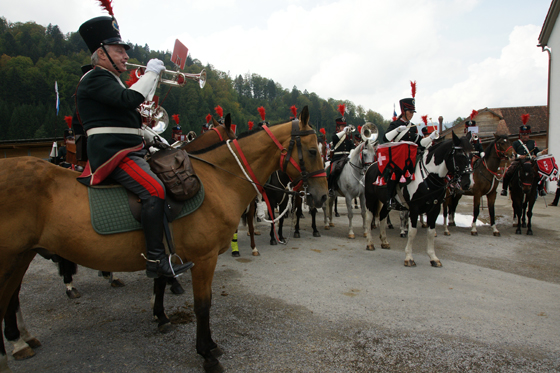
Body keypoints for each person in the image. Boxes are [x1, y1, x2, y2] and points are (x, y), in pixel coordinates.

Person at [76, 15, 193, 278]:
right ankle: (155, 260)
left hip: (128, 146)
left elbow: (125, 116)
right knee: (155, 189)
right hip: (113, 153)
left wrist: (150, 136)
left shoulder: (109, 78)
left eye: (124, 51)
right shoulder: (95, 77)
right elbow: (129, 99)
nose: (125, 56)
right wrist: (151, 73)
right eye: (119, 51)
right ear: (101, 53)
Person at [382, 82, 437, 208]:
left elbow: (420, 144)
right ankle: (389, 199)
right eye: (410, 111)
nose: (412, 114)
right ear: (403, 111)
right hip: (397, 157)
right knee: (395, 173)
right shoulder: (395, 125)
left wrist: (431, 138)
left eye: (413, 112)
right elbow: (385, 138)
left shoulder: (412, 127)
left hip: (411, 157)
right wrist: (397, 130)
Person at [501, 114, 547, 197]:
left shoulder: (532, 142)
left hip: (531, 161)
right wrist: (519, 156)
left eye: (526, 134)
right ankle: (504, 189)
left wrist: (541, 153)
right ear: (521, 135)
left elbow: (536, 152)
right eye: (523, 134)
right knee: (508, 172)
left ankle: (541, 189)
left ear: (528, 134)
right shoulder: (516, 143)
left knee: (541, 172)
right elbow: (513, 153)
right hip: (519, 161)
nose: (525, 136)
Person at [327, 104, 355, 197]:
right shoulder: (336, 134)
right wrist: (344, 131)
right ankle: (330, 188)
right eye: (342, 126)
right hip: (337, 157)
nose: (343, 128)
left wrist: (350, 155)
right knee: (332, 171)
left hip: (347, 157)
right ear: (338, 127)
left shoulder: (348, 136)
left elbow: (352, 146)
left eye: (344, 126)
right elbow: (334, 139)